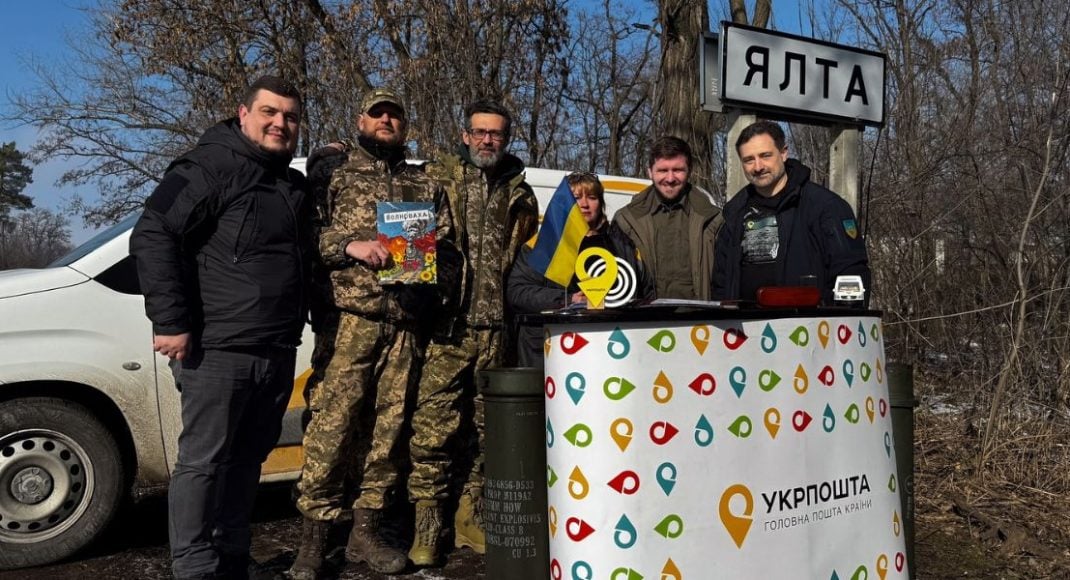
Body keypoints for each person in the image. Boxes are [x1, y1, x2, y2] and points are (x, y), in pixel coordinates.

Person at [130, 75, 311, 580]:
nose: (280, 123)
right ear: (243, 113)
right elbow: (153, 234)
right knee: (204, 463)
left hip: (274, 346)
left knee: (247, 460)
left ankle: (232, 557)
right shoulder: (210, 165)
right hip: (218, 348)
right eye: (270, 112)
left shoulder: (286, 184)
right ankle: (193, 567)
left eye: (291, 117)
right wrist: (171, 321)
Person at [288, 88, 452, 578]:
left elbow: (443, 241)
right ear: (361, 119)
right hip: (349, 321)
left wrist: (431, 273)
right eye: (377, 114)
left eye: (394, 115)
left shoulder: (423, 182)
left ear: (404, 125)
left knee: (387, 431)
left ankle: (367, 532)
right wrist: (351, 245)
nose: (386, 121)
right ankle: (314, 538)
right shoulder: (333, 174)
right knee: (331, 429)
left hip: (402, 323)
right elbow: (305, 236)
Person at [408, 99, 539, 560]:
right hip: (448, 329)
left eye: (496, 134)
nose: (488, 140)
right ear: (465, 135)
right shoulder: (433, 181)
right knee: (433, 429)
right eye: (480, 132)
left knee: (488, 432)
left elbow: (530, 266)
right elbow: (408, 255)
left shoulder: (520, 193)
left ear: (506, 140)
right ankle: (427, 522)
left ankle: (471, 515)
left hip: (496, 331)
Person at [712, 120, 871, 305]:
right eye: (749, 160)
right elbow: (720, 284)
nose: (757, 166)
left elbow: (851, 274)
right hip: (744, 330)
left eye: (765, 156)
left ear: (784, 153)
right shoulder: (734, 213)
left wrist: (840, 326)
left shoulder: (825, 207)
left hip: (809, 329)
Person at [507, 172, 654, 366]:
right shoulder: (541, 245)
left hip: (608, 351)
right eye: (576, 198)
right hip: (552, 351)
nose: (584, 204)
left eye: (592, 197)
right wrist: (568, 299)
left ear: (600, 203)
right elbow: (517, 292)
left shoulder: (623, 244)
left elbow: (646, 293)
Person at [613, 136, 722, 300]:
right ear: (650, 171)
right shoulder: (626, 220)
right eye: (662, 170)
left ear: (689, 170)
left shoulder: (713, 219)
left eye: (678, 170)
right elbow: (614, 277)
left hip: (700, 321)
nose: (670, 179)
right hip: (647, 322)